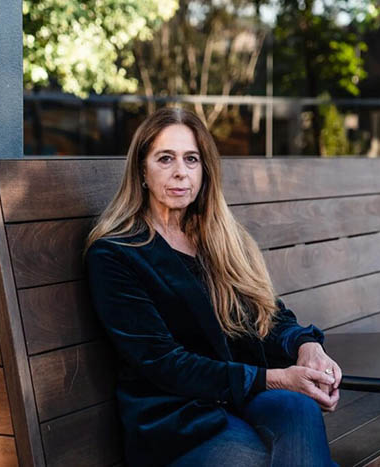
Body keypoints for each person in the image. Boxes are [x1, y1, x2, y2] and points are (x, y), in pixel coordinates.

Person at [85, 107, 341, 467]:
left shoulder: (220, 238)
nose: (180, 171)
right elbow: (163, 363)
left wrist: (307, 346)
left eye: (191, 159)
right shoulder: (116, 254)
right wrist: (275, 378)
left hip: (241, 399)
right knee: (268, 460)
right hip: (178, 419)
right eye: (165, 158)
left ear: (204, 170)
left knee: (299, 409)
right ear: (142, 170)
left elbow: (267, 315)